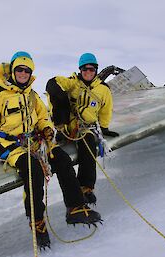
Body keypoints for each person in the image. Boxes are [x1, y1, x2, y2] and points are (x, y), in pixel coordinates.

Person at [0, 51, 102, 250]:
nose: (23, 73)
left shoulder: (32, 95)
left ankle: (74, 207)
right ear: (13, 71)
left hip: (36, 141)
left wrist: (46, 128)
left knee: (62, 160)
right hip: (11, 147)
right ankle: (37, 222)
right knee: (33, 170)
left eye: (27, 70)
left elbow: (42, 116)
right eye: (19, 69)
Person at [46, 52, 119, 205]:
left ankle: (86, 187)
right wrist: (53, 84)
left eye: (91, 69)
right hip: (69, 124)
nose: (88, 72)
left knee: (89, 145)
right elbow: (59, 82)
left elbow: (106, 109)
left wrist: (104, 127)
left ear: (96, 70)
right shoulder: (73, 83)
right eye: (84, 69)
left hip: (86, 126)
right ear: (80, 70)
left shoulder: (103, 90)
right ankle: (61, 132)